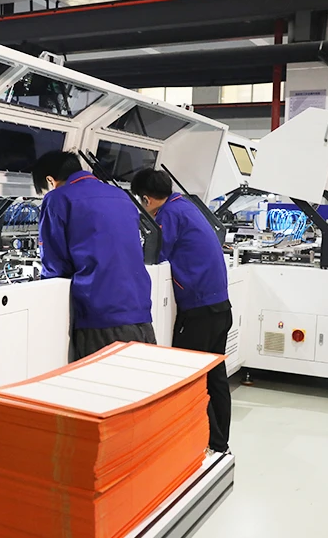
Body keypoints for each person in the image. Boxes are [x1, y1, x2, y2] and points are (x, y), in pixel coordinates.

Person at [131, 169, 232, 454]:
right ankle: (220, 444)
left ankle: (207, 443)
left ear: (146, 199)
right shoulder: (185, 205)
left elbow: (156, 256)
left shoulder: (168, 215)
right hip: (220, 307)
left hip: (198, 311)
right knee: (215, 377)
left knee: (190, 379)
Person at [31, 150, 156, 360]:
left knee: (101, 379)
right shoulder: (121, 195)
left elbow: (55, 264)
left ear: (50, 180)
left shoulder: (58, 198)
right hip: (139, 310)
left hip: (100, 316)